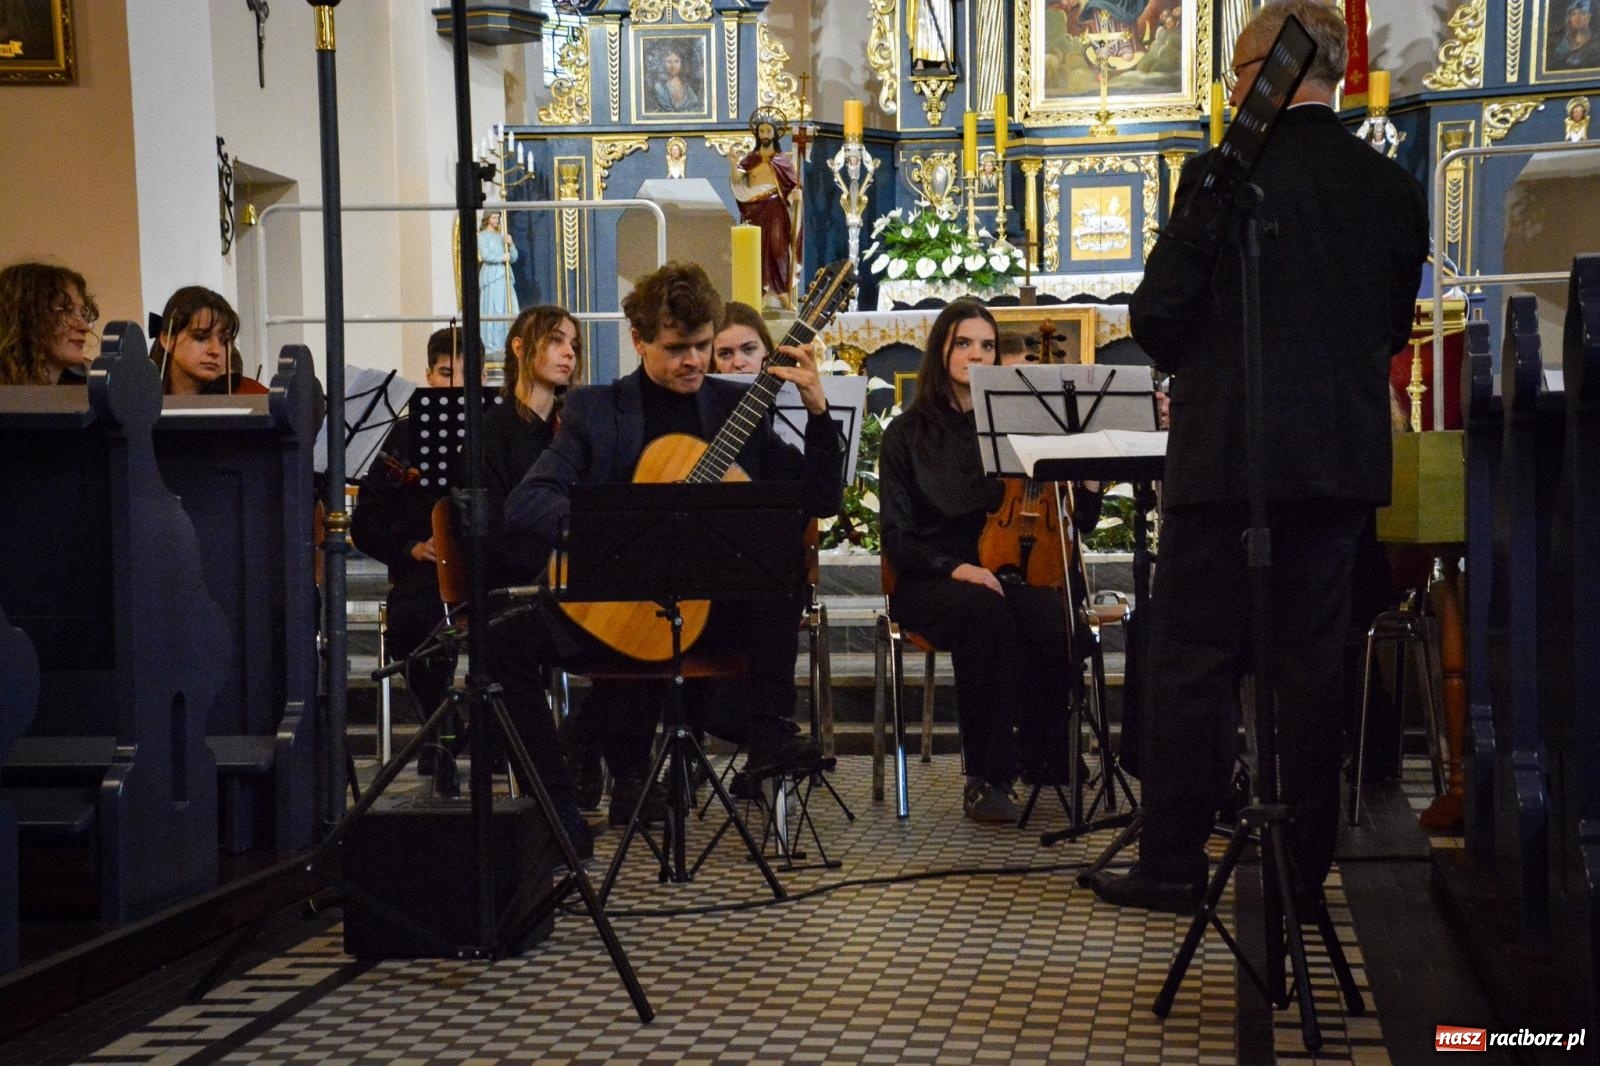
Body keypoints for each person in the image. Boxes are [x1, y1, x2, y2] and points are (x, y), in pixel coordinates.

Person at [1088, 0, 1429, 912]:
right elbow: (1393, 326)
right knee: (1312, 676)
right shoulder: (1390, 186)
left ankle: (1171, 866)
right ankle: (1298, 880)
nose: (1231, 90)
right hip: (1336, 472)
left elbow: (1157, 320)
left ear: (1263, 72)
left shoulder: (1223, 177)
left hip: (1226, 465)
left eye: (1237, 73)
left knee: (1192, 665)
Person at [505, 262, 842, 824]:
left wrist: (816, 410)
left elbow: (817, 500)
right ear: (638, 341)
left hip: (713, 615)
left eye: (703, 346)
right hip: (613, 603)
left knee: (777, 553)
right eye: (675, 348)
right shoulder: (596, 410)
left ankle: (768, 736)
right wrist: (613, 530)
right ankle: (557, 808)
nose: (693, 361)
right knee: (502, 643)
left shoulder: (739, 407)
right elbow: (529, 501)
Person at [878, 300, 1102, 822]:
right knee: (985, 612)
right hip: (928, 576)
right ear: (941, 351)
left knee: (1052, 616)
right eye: (964, 343)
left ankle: (1045, 754)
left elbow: (1079, 521)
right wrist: (957, 568)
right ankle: (986, 776)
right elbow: (897, 538)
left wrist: (1088, 467)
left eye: (987, 345)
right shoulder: (905, 436)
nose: (976, 355)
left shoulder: (1009, 429)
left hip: (998, 573)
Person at [446, 304, 591, 856]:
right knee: (504, 648)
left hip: (576, 585)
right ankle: (558, 808)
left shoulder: (576, 428)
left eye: (573, 345)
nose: (568, 353)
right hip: (518, 587)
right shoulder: (491, 435)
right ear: (518, 349)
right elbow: (485, 535)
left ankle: (594, 761)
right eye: (555, 341)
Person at [351, 327, 466, 775]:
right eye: (444, 373)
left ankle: (502, 732)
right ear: (428, 376)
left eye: (463, 373)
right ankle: (441, 724)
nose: (453, 383)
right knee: (409, 621)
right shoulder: (398, 439)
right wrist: (411, 547)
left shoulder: (494, 429)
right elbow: (365, 524)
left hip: (490, 568)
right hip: (425, 569)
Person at [729, 110, 801, 310]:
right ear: (757, 134)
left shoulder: (783, 161)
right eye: (762, 130)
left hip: (776, 209)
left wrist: (795, 195)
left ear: (775, 134)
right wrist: (734, 165)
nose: (765, 134)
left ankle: (781, 292)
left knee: (778, 249)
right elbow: (738, 183)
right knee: (757, 250)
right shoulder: (750, 160)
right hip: (755, 210)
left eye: (769, 130)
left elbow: (793, 187)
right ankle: (758, 293)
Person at [152, 286, 265, 395]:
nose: (216, 351)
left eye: (224, 340)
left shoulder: (253, 397)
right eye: (201, 338)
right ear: (168, 341)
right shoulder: (138, 400)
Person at [0, 261, 98, 386]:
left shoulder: (93, 386)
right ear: (25, 317)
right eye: (66, 310)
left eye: (83, 314)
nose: (84, 327)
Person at [477, 212, 519, 359]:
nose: (496, 220)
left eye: (498, 218)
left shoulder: (502, 236)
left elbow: (513, 257)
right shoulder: (482, 236)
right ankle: (492, 344)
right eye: (494, 217)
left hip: (504, 274)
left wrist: (511, 244)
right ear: (487, 219)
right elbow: (485, 255)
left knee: (509, 307)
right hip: (492, 275)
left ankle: (507, 341)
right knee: (494, 307)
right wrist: (502, 257)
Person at [710, 301, 774, 374]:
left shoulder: (789, 384)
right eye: (725, 354)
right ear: (713, 360)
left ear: (766, 350)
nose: (738, 363)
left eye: (748, 349)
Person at [649, 43, 701, 114]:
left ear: (681, 63)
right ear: (663, 63)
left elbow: (696, 107)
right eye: (669, 62)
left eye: (676, 61)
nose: (673, 66)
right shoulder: (659, 87)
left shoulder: (686, 87)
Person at [1552, 0, 1600, 70]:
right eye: (1573, 14)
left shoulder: (1595, 46)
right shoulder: (1564, 43)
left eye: (1583, 13)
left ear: (1590, 17)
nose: (1577, 18)